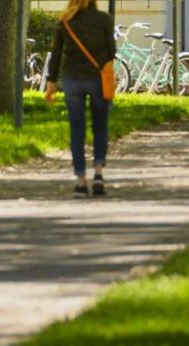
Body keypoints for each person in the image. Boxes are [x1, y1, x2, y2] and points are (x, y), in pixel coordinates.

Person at [45, 0, 116, 198]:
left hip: (73, 79)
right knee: (100, 126)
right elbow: (112, 52)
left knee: (77, 129)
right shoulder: (104, 20)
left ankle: (81, 181)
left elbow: (56, 54)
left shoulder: (65, 21)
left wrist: (51, 82)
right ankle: (99, 174)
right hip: (97, 79)